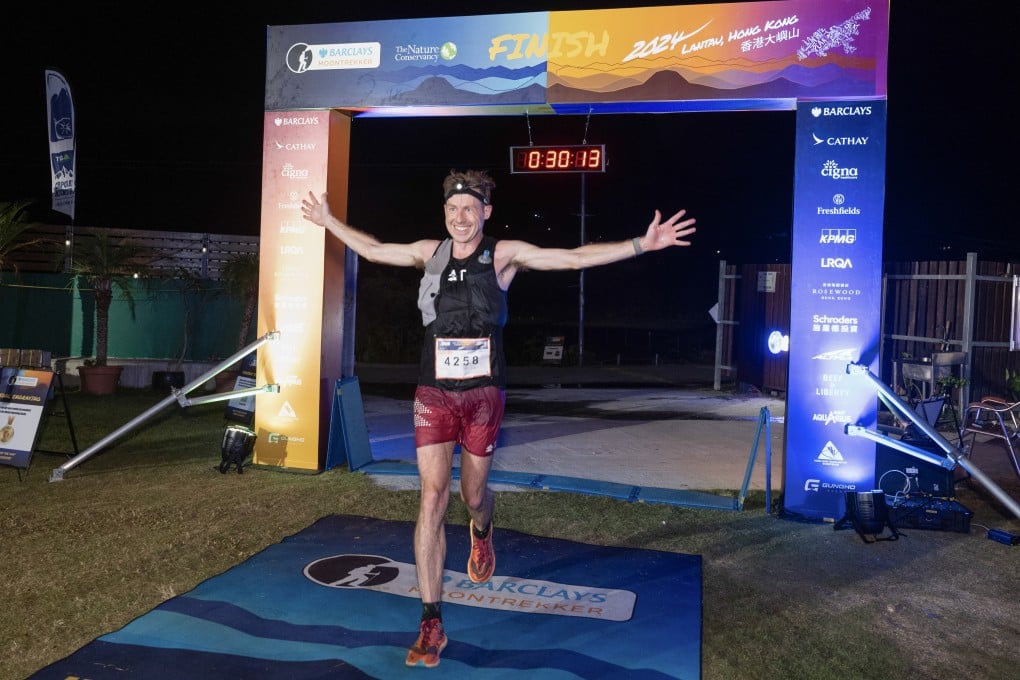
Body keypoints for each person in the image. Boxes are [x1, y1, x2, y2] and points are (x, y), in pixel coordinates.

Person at [301, 169, 696, 668]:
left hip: (484, 397)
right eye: (452, 210)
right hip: (434, 393)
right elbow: (377, 249)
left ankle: (483, 529)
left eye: (470, 209)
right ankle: (431, 621)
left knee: (471, 496)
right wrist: (329, 220)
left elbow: (572, 259)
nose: (460, 218)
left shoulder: (503, 255)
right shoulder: (431, 252)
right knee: (432, 496)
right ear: (444, 213)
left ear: (486, 212)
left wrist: (642, 243)